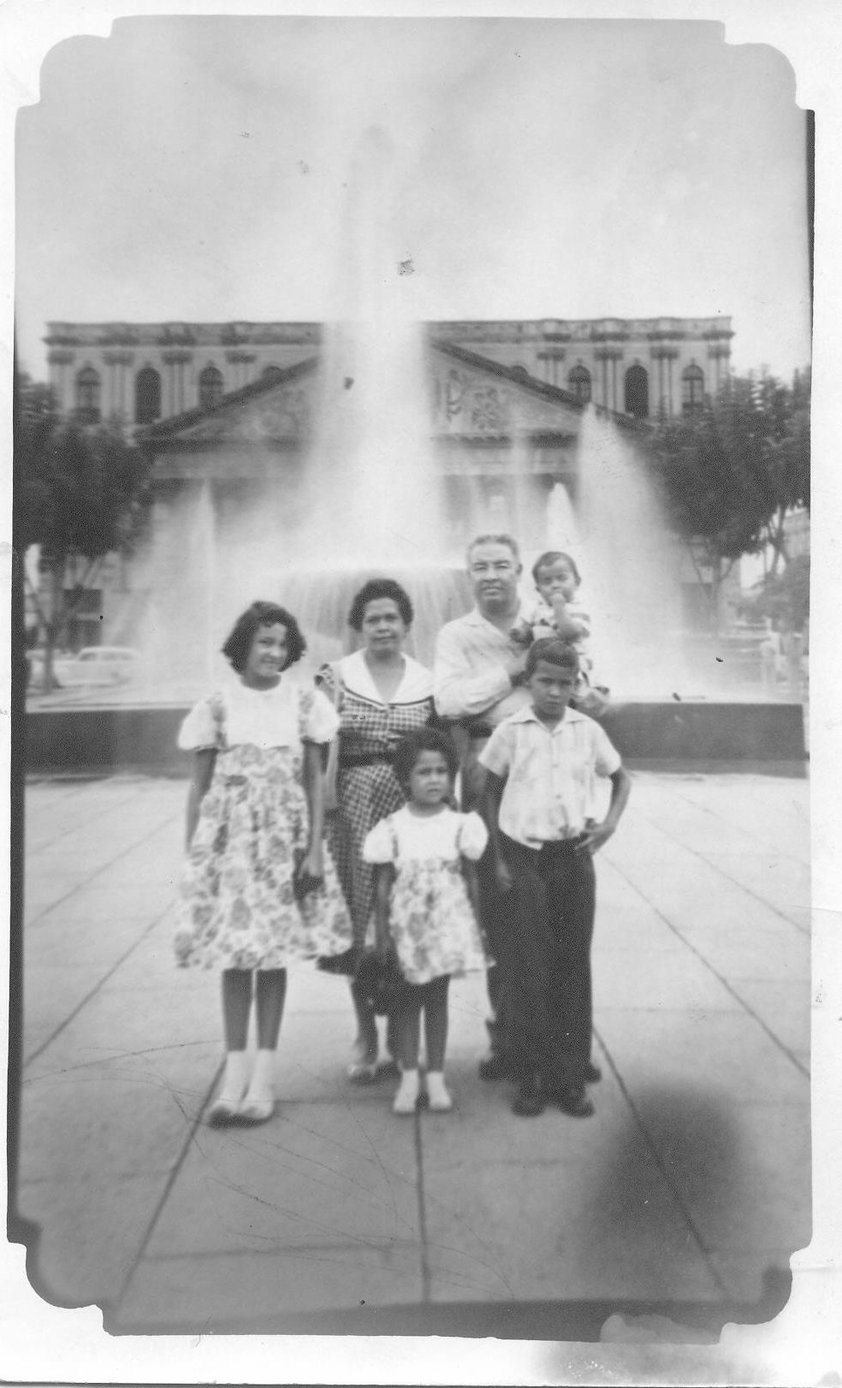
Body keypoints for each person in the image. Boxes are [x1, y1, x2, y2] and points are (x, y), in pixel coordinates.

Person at [174, 601, 352, 1126]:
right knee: (235, 959)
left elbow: (315, 783)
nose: (273, 653)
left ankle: (264, 1081)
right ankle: (233, 1079)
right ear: (243, 647)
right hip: (230, 849)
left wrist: (315, 847)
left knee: (272, 958)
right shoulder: (217, 705)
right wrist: (194, 859)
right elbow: (198, 788)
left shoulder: (304, 704)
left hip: (284, 846)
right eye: (263, 643)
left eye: (281, 644)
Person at [480, 638, 631, 1118]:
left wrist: (607, 825)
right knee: (527, 967)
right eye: (545, 681)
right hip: (522, 857)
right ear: (528, 681)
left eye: (565, 683)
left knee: (571, 965)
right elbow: (485, 791)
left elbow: (622, 778)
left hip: (571, 860)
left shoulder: (586, 730)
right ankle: (529, 1075)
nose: (554, 691)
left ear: (576, 685)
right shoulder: (512, 730)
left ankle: (567, 1076)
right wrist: (498, 861)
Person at [317, 578, 435, 1082]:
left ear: (406, 625)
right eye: (373, 619)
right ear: (359, 628)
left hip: (410, 812)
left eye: (391, 618)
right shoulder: (336, 676)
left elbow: (437, 752)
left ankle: (402, 1038)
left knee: (405, 919)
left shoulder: (427, 680)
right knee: (361, 917)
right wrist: (322, 803)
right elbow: (320, 746)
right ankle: (367, 1036)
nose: (383, 626)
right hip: (355, 807)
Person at [433, 533, 532, 1079]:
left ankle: (558, 1038)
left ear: (519, 569)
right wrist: (516, 673)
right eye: (479, 567)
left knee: (554, 905)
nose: (491, 574)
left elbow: (580, 680)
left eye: (500, 565)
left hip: (544, 768)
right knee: (498, 906)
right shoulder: (456, 634)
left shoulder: (545, 622)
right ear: (468, 575)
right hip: (484, 770)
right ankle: (508, 1036)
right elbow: (448, 702)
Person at [363, 727, 488, 1115]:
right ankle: (409, 1076)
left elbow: (470, 880)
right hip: (407, 931)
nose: (434, 779)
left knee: (437, 1000)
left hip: (447, 929)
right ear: (405, 779)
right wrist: (381, 933)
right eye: (423, 772)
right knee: (406, 1002)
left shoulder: (460, 825)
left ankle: (435, 1075)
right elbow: (382, 887)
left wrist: (476, 927)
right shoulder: (392, 829)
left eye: (441, 771)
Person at [510, 550, 609, 716]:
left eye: (562, 578)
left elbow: (570, 633)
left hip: (570, 662)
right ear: (539, 589)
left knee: (575, 694)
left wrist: (559, 609)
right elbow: (529, 631)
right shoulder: (537, 609)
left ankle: (594, 699)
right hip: (545, 663)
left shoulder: (576, 609)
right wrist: (520, 633)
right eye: (547, 581)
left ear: (576, 582)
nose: (555, 585)